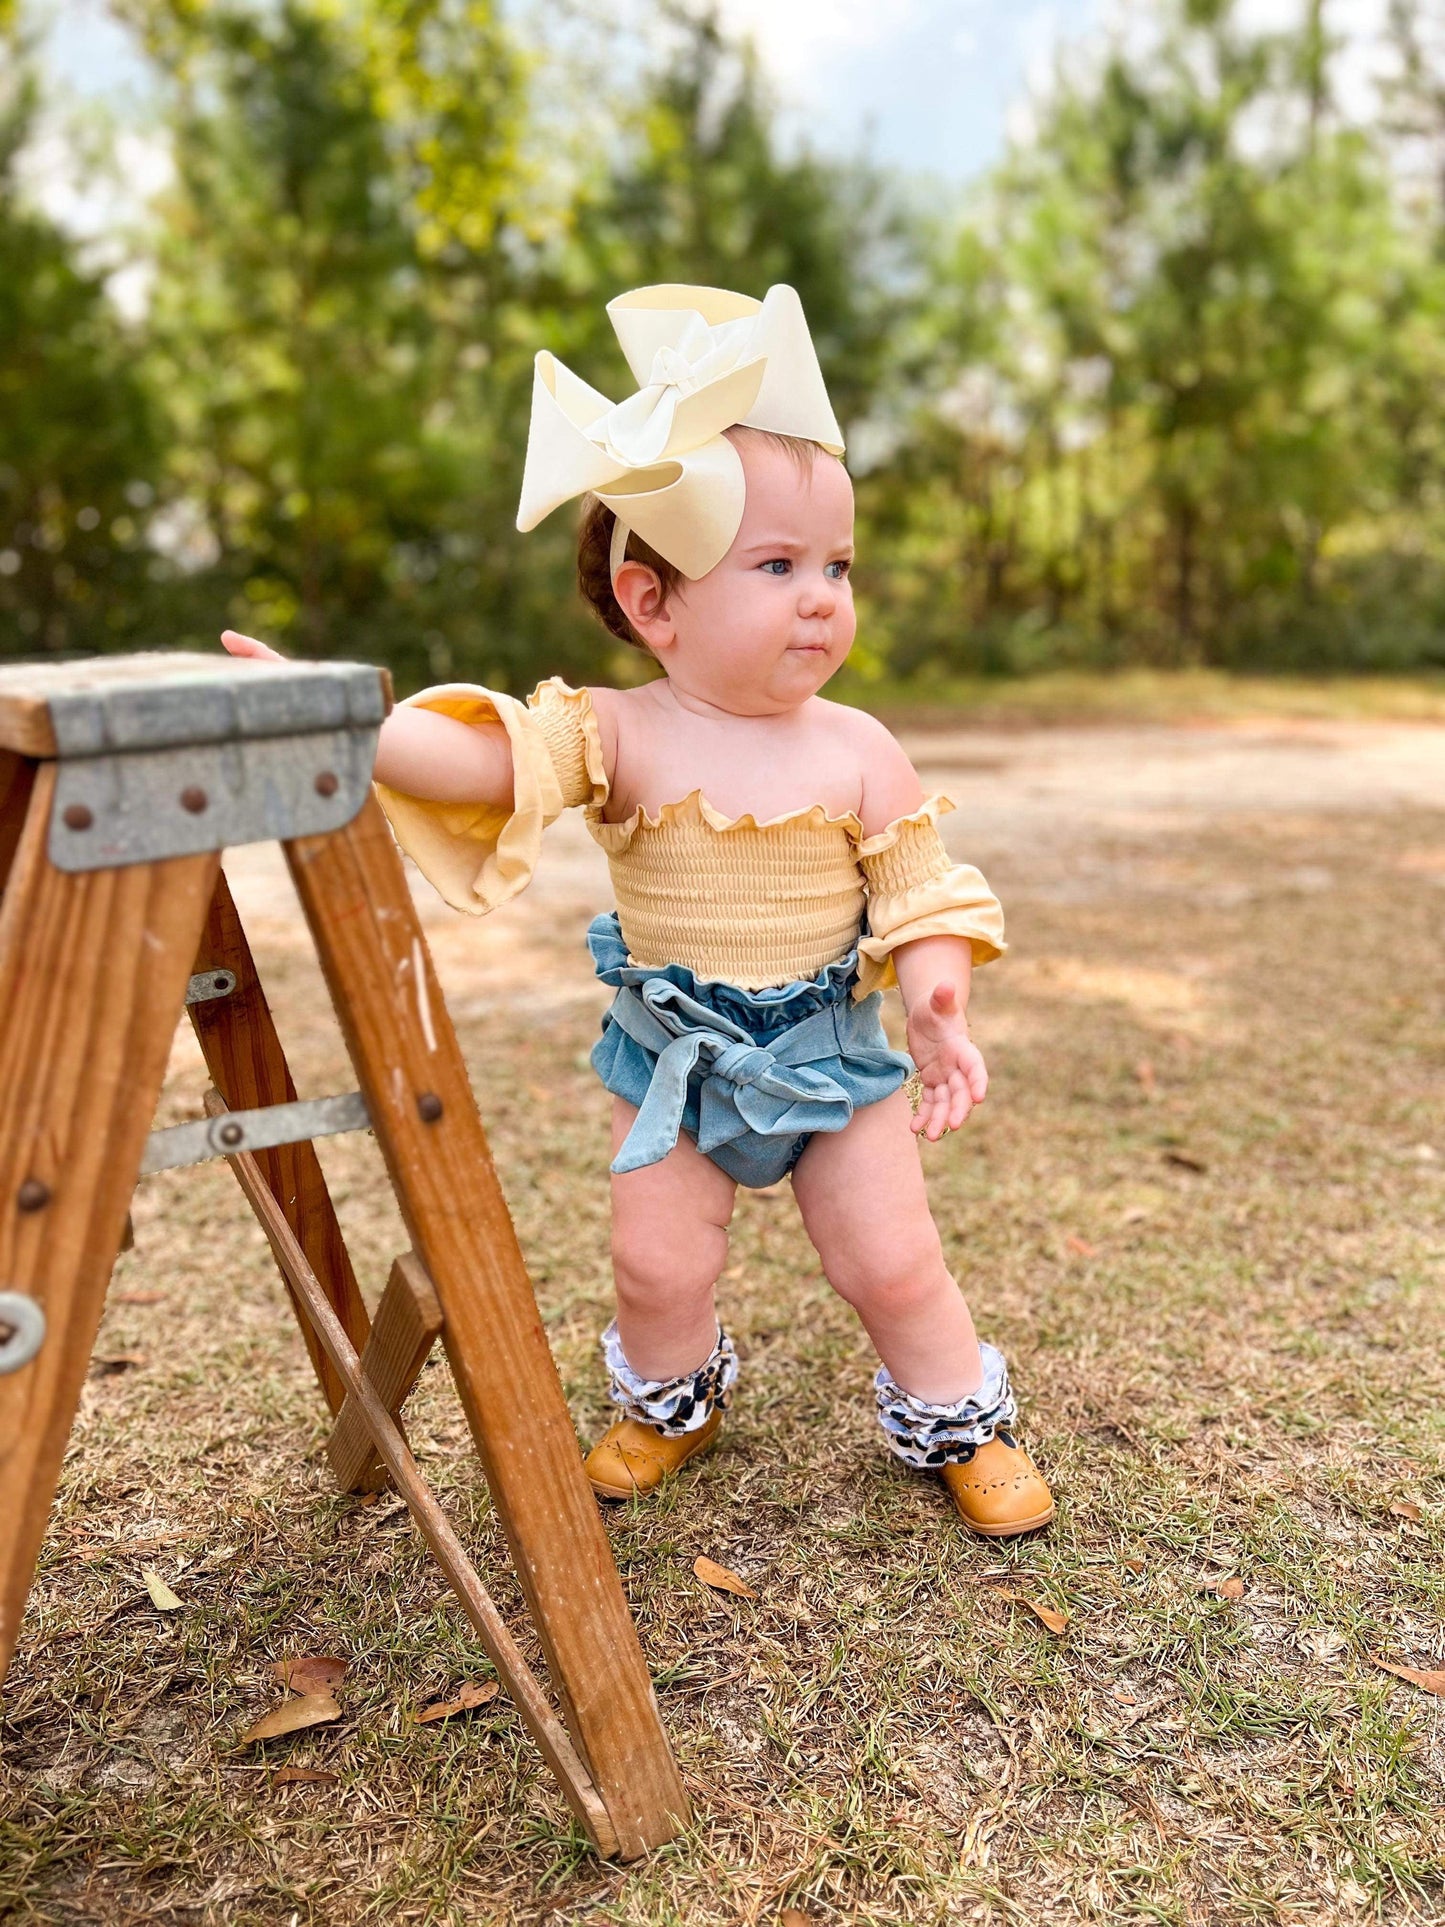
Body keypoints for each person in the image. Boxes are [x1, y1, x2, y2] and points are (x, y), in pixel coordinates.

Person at [222, 282, 1054, 1537]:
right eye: (777, 566)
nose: (822, 596)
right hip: (672, 1055)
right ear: (651, 601)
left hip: (828, 1052)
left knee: (887, 1259)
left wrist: (935, 993)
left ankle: (953, 1414)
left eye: (836, 565)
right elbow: (488, 761)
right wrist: (354, 721)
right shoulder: (618, 730)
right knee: (657, 1263)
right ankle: (672, 1399)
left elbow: (918, 882)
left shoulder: (856, 746)